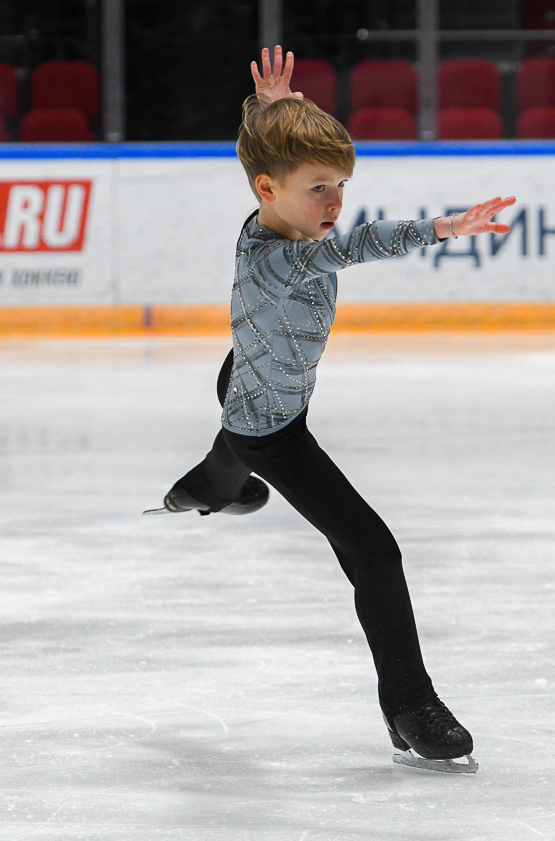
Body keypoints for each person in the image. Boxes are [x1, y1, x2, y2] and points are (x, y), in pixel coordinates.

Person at [148, 46, 515, 771]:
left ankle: (200, 492)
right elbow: (358, 246)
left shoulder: (271, 219)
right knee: (374, 552)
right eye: (318, 188)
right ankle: (409, 705)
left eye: (340, 185)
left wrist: (273, 110)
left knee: (230, 454)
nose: (335, 204)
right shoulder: (279, 258)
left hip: (245, 381)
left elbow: (281, 175)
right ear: (267, 188)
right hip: (271, 429)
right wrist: (443, 229)